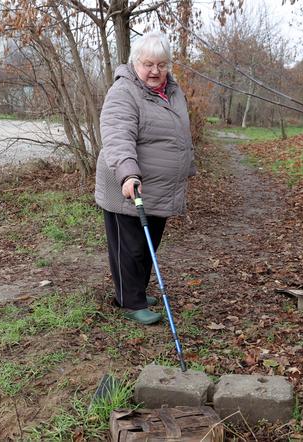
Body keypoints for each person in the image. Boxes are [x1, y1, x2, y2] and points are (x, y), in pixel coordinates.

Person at [95, 32, 196, 325]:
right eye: (148, 64)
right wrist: (128, 174)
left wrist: (186, 166)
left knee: (150, 242)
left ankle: (133, 291)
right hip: (127, 183)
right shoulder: (124, 91)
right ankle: (130, 301)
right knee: (131, 246)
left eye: (162, 64)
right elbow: (117, 136)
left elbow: (179, 134)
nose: (155, 71)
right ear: (135, 62)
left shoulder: (173, 91)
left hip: (160, 187)